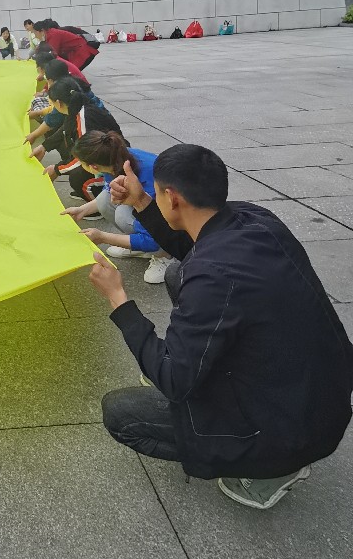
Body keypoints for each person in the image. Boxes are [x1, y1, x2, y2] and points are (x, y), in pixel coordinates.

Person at [86, 143, 353, 510]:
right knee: (178, 273)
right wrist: (142, 201)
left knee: (121, 413)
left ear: (173, 198)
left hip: (289, 429)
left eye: (156, 193)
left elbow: (172, 379)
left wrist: (119, 299)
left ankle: (274, 469)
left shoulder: (213, 277)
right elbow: (190, 244)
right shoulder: (254, 218)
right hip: (316, 392)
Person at [61, 130, 171, 285]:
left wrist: (102, 237)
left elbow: (152, 238)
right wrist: (82, 210)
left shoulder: (146, 177)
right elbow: (107, 193)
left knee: (123, 216)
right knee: (106, 200)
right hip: (156, 210)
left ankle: (165, 255)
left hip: (175, 225)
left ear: (93, 166)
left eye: (81, 163)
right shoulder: (114, 158)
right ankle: (137, 246)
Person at [33, 20, 98, 71]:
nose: (35, 36)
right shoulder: (50, 34)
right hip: (76, 52)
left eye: (35, 33)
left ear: (42, 31)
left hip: (83, 51)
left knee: (71, 72)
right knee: (70, 72)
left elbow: (53, 54)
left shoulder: (53, 35)